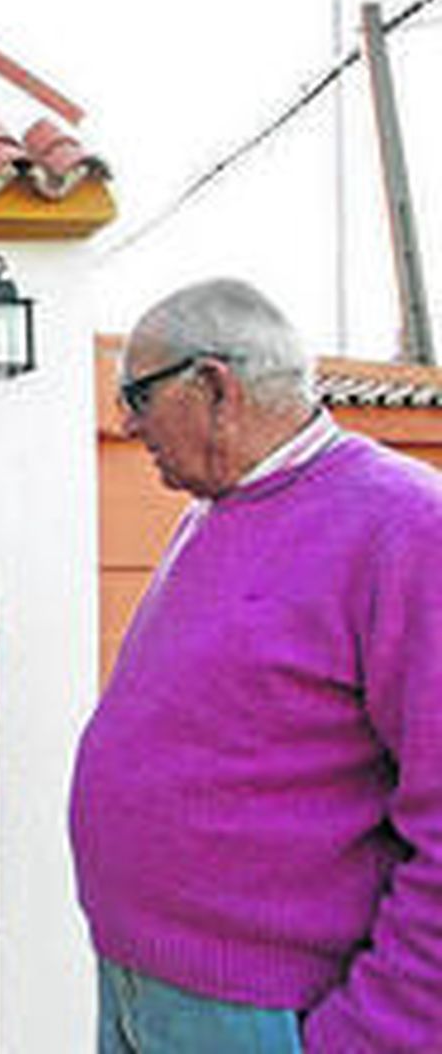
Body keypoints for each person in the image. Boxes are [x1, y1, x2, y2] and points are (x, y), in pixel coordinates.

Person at [70, 279, 442, 1052]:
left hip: (264, 1013)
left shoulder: (405, 527)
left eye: (137, 394)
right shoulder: (215, 511)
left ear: (213, 386)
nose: (125, 422)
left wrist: (372, 1035)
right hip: (144, 987)